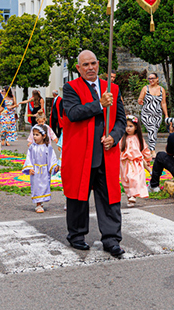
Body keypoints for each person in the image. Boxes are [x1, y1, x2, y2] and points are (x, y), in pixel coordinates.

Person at [61, 50, 126, 257]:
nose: (90, 68)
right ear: (78, 68)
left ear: (98, 64)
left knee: (110, 198)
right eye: (85, 65)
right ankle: (76, 235)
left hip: (106, 154)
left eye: (93, 63)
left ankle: (111, 239)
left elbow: (121, 120)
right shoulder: (71, 88)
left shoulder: (112, 88)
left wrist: (114, 137)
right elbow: (73, 113)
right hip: (81, 153)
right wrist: (99, 104)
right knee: (78, 196)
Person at [22, 124, 60, 214]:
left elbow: (52, 158)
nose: (34, 137)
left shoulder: (48, 147)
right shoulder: (32, 147)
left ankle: (41, 203)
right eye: (34, 135)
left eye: (37, 135)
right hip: (35, 171)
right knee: (36, 187)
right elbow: (29, 158)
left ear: (44, 136)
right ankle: (38, 205)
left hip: (45, 171)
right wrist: (30, 168)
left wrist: (54, 166)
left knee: (44, 186)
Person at [120, 115, 151, 207]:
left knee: (133, 178)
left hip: (136, 163)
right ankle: (129, 197)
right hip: (125, 163)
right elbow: (118, 149)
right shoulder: (123, 139)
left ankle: (133, 196)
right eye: (126, 126)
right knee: (126, 180)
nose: (128, 128)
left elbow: (145, 149)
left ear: (136, 127)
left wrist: (148, 159)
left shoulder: (138, 138)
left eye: (130, 126)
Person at [137, 72, 169, 151]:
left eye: (152, 78)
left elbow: (163, 103)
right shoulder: (145, 88)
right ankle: (152, 150)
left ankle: (148, 149)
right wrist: (140, 101)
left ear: (157, 79)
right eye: (149, 78)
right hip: (146, 114)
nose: (150, 80)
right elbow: (140, 99)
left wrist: (166, 115)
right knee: (151, 130)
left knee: (154, 132)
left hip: (157, 115)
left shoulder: (162, 90)